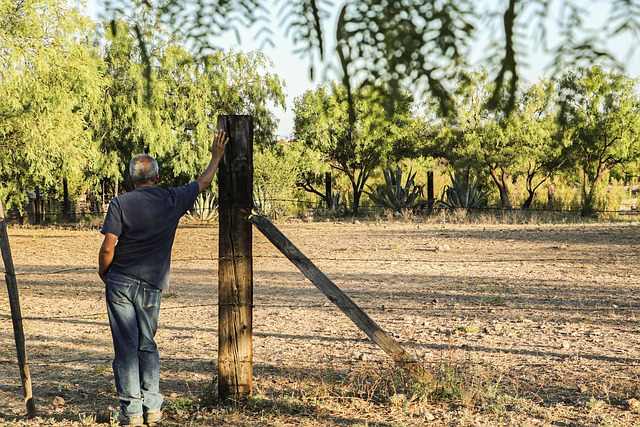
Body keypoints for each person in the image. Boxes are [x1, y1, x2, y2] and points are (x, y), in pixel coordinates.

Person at [98, 130, 228, 426]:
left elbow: (108, 246)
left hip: (120, 282)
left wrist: (103, 271)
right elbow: (204, 182)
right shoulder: (172, 199)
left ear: (132, 180)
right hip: (152, 284)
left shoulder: (120, 204)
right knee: (147, 344)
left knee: (125, 348)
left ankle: (131, 412)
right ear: (156, 178)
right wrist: (216, 155)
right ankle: (153, 408)